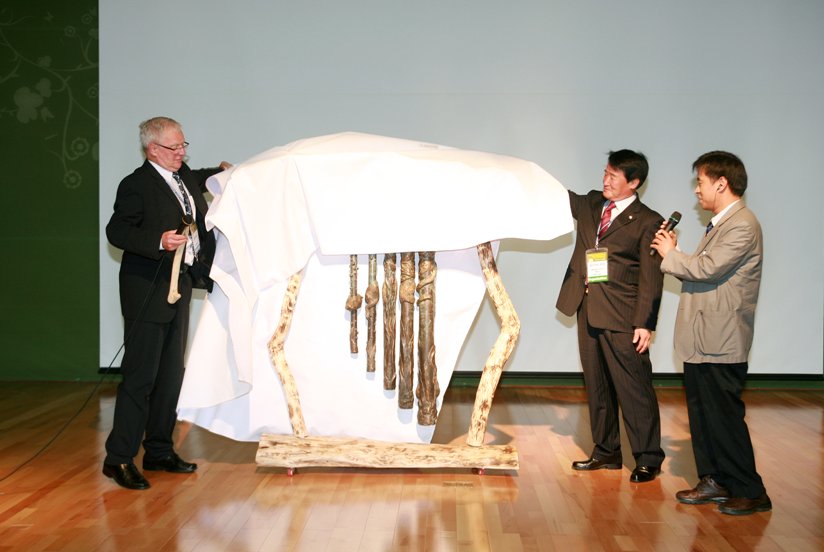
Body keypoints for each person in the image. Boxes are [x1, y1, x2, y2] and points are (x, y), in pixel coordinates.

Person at [104, 116, 230, 490]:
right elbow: (118, 230)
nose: (182, 153)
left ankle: (159, 450)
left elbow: (201, 176)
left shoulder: (183, 174)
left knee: (170, 375)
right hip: (148, 290)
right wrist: (157, 241)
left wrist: (224, 173)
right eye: (174, 148)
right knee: (141, 377)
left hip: (179, 287)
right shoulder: (136, 185)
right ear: (152, 149)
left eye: (184, 145)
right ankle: (119, 458)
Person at [651, 151, 770, 515]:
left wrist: (672, 253)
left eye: (700, 182)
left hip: (722, 341)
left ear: (722, 183)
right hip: (703, 340)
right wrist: (678, 255)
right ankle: (715, 479)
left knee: (723, 417)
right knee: (702, 416)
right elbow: (704, 269)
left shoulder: (742, 224)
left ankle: (750, 490)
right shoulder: (719, 224)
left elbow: (707, 269)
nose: (697, 191)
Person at [557, 149, 666, 483]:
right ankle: (606, 451)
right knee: (597, 384)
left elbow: (652, 276)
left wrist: (645, 323)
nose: (605, 180)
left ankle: (648, 457)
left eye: (613, 176)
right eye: (604, 172)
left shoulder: (648, 221)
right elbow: (559, 198)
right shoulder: (591, 204)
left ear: (633, 183)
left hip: (623, 315)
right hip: (588, 306)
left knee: (634, 388)